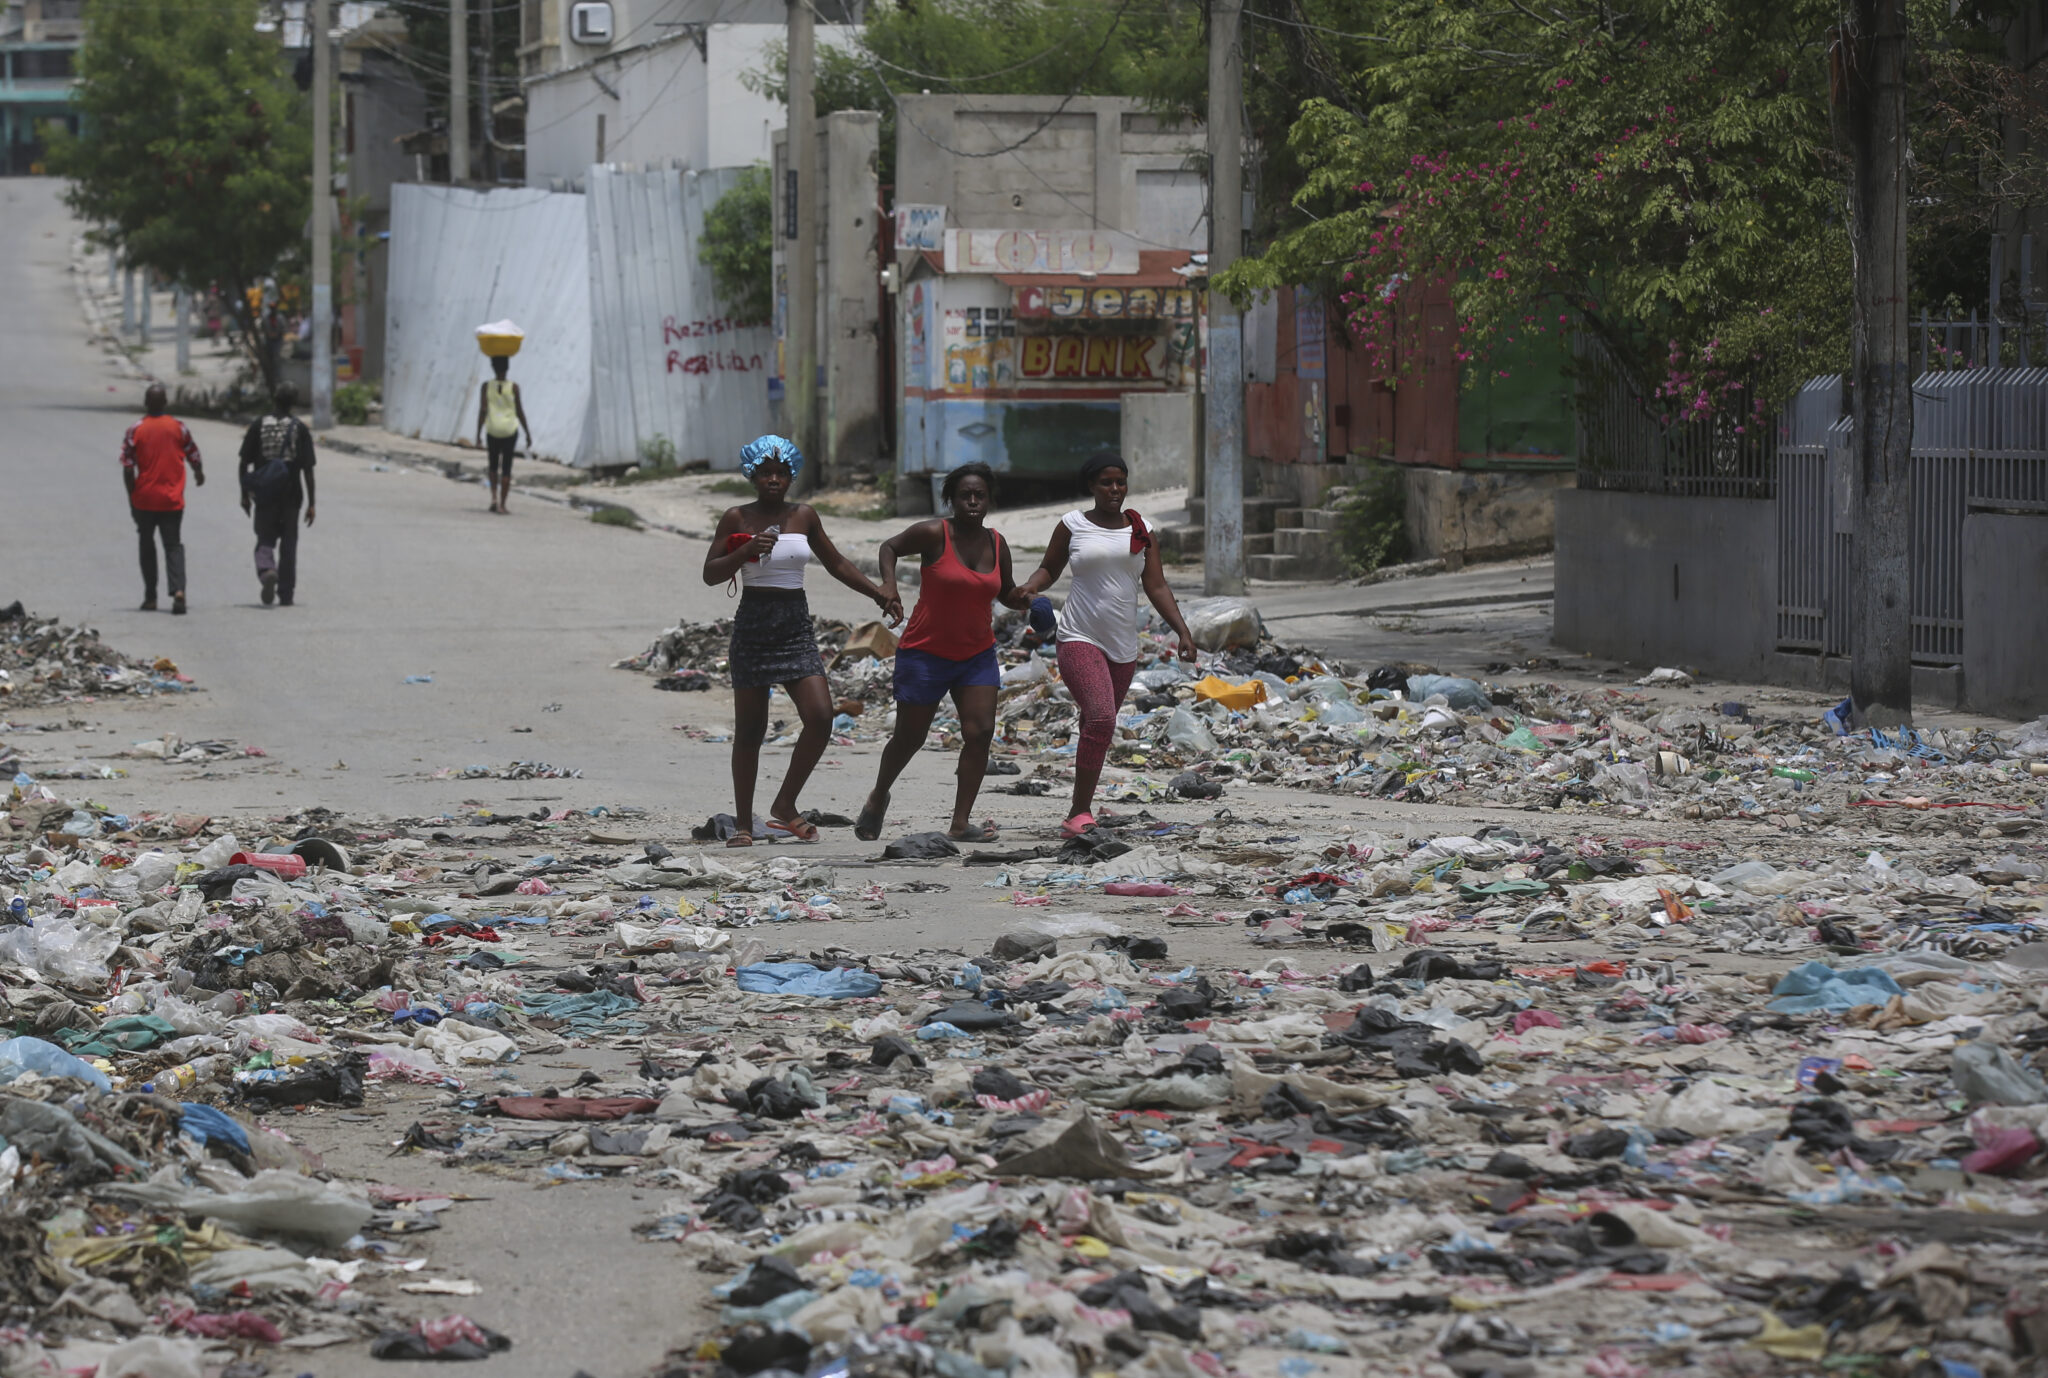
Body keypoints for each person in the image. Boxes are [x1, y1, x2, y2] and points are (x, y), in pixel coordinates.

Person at [701, 435, 895, 846]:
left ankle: (785, 804)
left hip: (794, 625)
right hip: (754, 624)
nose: (773, 479)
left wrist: (878, 592)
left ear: (791, 476)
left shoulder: (804, 516)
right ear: (752, 475)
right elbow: (711, 572)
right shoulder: (736, 517)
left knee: (821, 716)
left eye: (781, 472)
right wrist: (747, 550)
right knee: (750, 732)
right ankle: (742, 825)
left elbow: (837, 562)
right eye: (765, 472)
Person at [1016, 451, 1198, 838]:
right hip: (1078, 636)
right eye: (1106, 482)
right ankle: (1079, 814)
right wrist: (1032, 586)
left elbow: (1157, 585)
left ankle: (1078, 809)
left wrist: (1182, 631)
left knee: (1094, 726)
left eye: (1120, 482)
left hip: (1123, 646)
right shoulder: (1073, 525)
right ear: (1091, 487)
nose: (1115, 489)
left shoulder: (1141, 528)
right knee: (1101, 719)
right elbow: (1050, 568)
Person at [855, 462, 1027, 844]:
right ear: (950, 499)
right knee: (909, 737)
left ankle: (961, 822)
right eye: (964, 495)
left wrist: (1030, 600)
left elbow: (1006, 592)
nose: (971, 502)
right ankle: (879, 794)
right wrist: (888, 585)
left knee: (980, 732)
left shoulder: (997, 544)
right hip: (925, 653)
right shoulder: (934, 533)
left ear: (989, 500)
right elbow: (890, 547)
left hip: (976, 654)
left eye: (979, 495)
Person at [119, 383, 205, 614]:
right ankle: (178, 591)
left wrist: (132, 497)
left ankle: (150, 597)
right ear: (166, 403)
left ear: (146, 403)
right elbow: (193, 453)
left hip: (144, 499)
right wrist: (198, 472)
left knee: (147, 546)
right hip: (171, 499)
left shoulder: (135, 429)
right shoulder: (178, 427)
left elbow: (127, 467)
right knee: (173, 545)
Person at [238, 383, 317, 607]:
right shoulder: (299, 428)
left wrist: (245, 495)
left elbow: (244, 463)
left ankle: (267, 571)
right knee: (289, 545)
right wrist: (312, 503)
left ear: (274, 398)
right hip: (291, 496)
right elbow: (308, 470)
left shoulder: (259, 425)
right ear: (293, 403)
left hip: (265, 495)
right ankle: (286, 594)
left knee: (264, 538)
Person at [473, 355, 530, 515]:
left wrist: (478, 434)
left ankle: (493, 498)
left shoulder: (486, 386)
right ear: (507, 368)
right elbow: (519, 411)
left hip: (493, 430)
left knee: (492, 464)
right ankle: (503, 505)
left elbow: (483, 410)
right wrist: (527, 433)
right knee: (506, 467)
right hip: (509, 430)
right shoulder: (514, 387)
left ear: (493, 368)